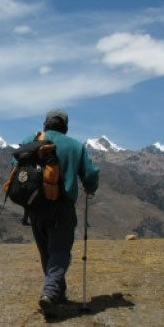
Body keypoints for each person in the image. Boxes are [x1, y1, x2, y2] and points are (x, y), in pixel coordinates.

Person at [21, 109, 100, 315]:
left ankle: (58, 293)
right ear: (65, 126)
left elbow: (16, 166)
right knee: (60, 251)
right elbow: (91, 174)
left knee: (47, 251)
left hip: (35, 207)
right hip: (62, 207)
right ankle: (50, 292)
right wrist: (90, 188)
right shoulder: (75, 146)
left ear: (45, 124)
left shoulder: (30, 140)